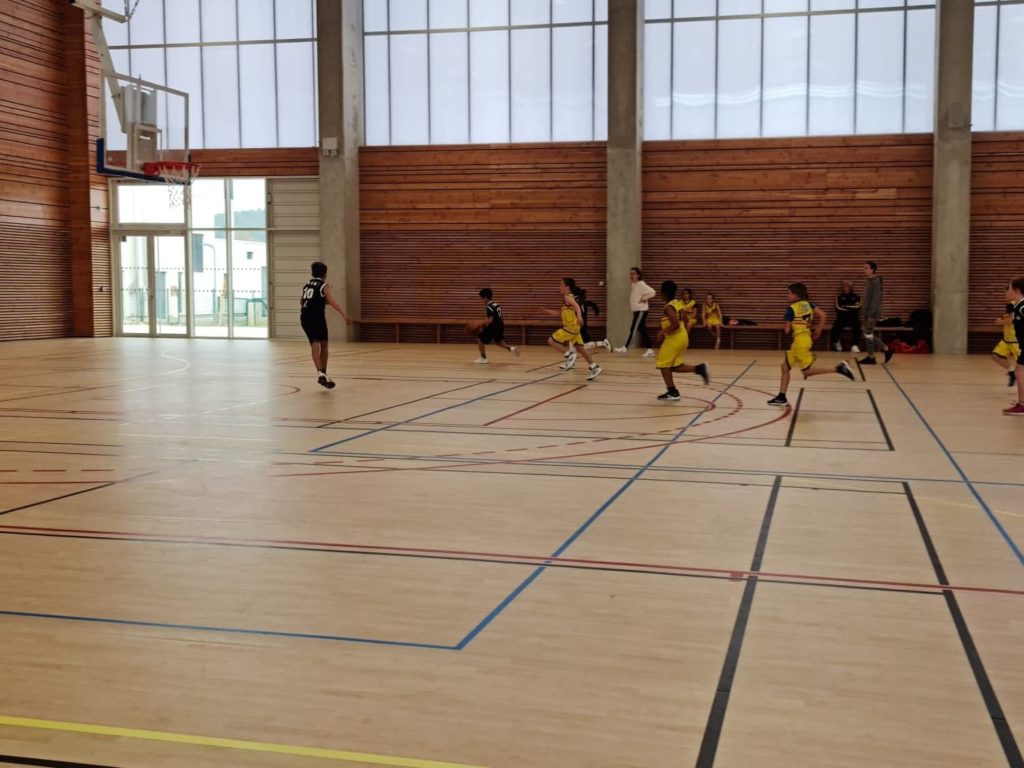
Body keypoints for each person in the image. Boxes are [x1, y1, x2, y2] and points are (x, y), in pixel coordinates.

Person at [767, 282, 855, 407]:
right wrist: (819, 329)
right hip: (805, 339)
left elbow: (787, 330)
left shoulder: (791, 309)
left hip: (799, 342)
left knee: (806, 372)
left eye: (789, 293)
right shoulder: (809, 304)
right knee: (785, 367)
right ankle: (781, 397)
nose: (788, 295)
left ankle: (839, 368)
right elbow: (823, 315)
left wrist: (789, 324)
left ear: (795, 294)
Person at [300, 261, 353, 389]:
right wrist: (344, 315)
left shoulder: (307, 284)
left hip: (305, 317)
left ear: (312, 273)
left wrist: (318, 300)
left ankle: (321, 374)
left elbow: (302, 301)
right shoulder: (323, 285)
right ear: (325, 274)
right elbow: (331, 300)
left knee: (315, 344)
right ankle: (322, 373)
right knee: (323, 345)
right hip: (317, 318)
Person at [655, 281, 709, 400]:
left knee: (663, 365)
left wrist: (662, 332)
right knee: (674, 366)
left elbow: (676, 324)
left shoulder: (668, 307)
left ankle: (672, 392)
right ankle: (699, 369)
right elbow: (685, 319)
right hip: (683, 336)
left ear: (663, 293)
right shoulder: (678, 303)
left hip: (674, 339)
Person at [540, 278, 602, 381]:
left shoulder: (568, 297)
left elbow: (577, 307)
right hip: (574, 329)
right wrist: (546, 311)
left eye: (561, 285)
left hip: (570, 328)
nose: (559, 287)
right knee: (581, 349)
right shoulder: (567, 299)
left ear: (567, 287)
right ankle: (594, 367)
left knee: (551, 340)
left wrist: (580, 317)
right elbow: (559, 313)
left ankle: (569, 354)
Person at [614, 267, 656, 357]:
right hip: (637, 310)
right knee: (642, 330)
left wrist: (644, 298)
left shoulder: (641, 284)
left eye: (633, 274)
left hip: (641, 310)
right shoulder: (634, 284)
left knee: (633, 329)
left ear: (638, 275)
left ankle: (625, 348)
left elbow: (652, 292)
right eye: (630, 274)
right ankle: (650, 349)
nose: (631, 276)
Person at [859, 261, 894, 365]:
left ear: (872, 269)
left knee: (868, 333)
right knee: (868, 333)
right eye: (864, 268)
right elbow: (867, 298)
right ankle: (875, 354)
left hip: (872, 313)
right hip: (867, 312)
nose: (864, 270)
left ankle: (882, 351)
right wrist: (864, 312)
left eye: (866, 268)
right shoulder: (869, 281)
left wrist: (871, 314)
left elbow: (875, 300)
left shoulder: (876, 282)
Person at [474, 288, 519, 364]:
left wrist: (479, 323)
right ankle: (511, 348)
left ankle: (483, 358)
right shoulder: (496, 305)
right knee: (498, 342)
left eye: (482, 298)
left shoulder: (489, 307)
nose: (482, 301)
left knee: (479, 338)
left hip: (494, 327)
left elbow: (490, 320)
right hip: (501, 326)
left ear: (485, 297)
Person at [1004, 277, 1024, 416]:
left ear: (1016, 290)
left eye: (1009, 288)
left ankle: (1022, 406)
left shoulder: (1022, 307)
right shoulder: (1018, 306)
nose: (1007, 291)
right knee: (1019, 371)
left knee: (1020, 372)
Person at [991, 291, 1019, 388]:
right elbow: (1008, 318)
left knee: (1021, 364)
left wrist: (1000, 322)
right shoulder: (1010, 305)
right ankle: (1012, 371)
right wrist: (1001, 319)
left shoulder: (1013, 304)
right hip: (1007, 340)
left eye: (1006, 292)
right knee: (995, 355)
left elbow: (1012, 320)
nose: (1005, 295)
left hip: (1016, 340)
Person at [571, 284, 610, 352]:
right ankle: (572, 353)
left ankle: (603, 343)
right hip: (578, 324)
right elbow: (592, 304)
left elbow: (592, 304)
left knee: (581, 343)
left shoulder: (577, 300)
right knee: (578, 343)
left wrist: (597, 312)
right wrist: (597, 312)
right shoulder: (580, 300)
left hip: (580, 324)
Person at [833, 280, 862, 353]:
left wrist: (845, 306)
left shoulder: (856, 297)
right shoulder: (839, 297)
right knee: (835, 327)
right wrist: (851, 308)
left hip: (853, 318)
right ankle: (837, 342)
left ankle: (854, 345)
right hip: (842, 318)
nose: (845, 288)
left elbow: (858, 307)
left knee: (857, 326)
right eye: (844, 287)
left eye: (847, 287)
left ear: (851, 287)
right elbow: (838, 308)